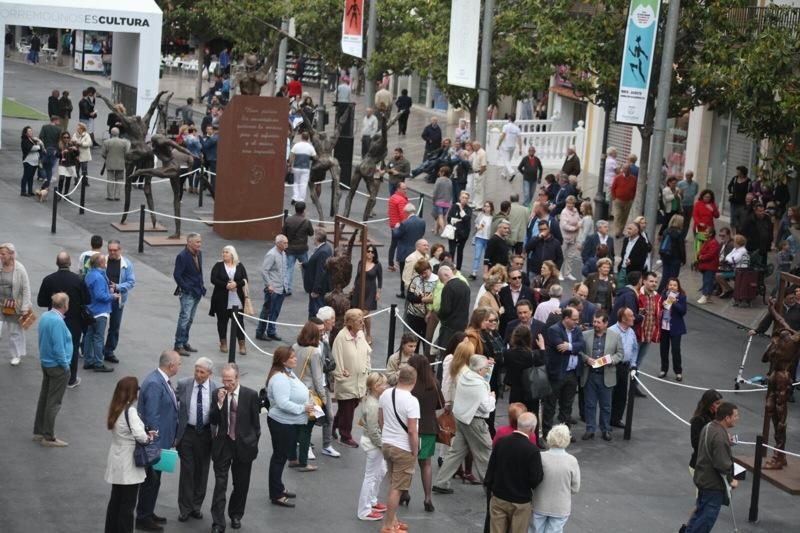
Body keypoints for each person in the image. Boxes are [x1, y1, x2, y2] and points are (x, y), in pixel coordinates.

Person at [433, 354, 495, 494]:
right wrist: (492, 398)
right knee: (485, 453)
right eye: (486, 368)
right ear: (480, 370)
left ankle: (441, 482)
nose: (487, 370)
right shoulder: (479, 384)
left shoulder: (465, 376)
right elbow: (486, 407)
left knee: (455, 453)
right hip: (475, 421)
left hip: (461, 419)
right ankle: (491, 486)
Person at [210, 363, 261, 530]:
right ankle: (218, 523)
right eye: (224, 380)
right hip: (223, 445)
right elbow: (213, 420)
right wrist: (219, 404)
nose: (227, 384)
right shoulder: (217, 394)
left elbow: (256, 424)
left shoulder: (250, 395)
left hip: (243, 446)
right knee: (220, 485)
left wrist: (252, 442)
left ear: (237, 378)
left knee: (241, 485)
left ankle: (236, 514)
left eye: (230, 380)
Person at [136, 351, 181, 532]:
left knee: (155, 480)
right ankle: (143, 517)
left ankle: (147, 511)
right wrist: (155, 445)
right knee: (150, 480)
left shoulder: (159, 380)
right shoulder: (155, 384)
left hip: (161, 442)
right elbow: (152, 417)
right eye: (179, 363)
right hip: (156, 444)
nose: (180, 366)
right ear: (171, 365)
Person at [105, 377, 155, 533]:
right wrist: (149, 438)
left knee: (116, 501)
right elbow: (140, 436)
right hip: (129, 462)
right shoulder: (131, 411)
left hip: (116, 456)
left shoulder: (116, 407)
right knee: (128, 504)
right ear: (132, 392)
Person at [175, 357, 219, 522]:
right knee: (187, 470)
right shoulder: (183, 384)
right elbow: (173, 405)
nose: (198, 375)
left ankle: (196, 506)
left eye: (202, 372)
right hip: (187, 433)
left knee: (202, 471)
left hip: (206, 434)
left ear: (210, 373)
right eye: (196, 371)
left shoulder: (216, 388)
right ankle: (185, 508)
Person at [683, 402, 739, 533]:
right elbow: (722, 464)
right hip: (713, 484)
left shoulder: (709, 427)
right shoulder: (720, 436)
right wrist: (731, 480)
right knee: (706, 520)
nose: (738, 418)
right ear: (727, 417)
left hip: (702, 478)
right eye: (735, 415)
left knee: (699, 514)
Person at [484, 411, 543, 533]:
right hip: (520, 500)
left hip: (499, 496)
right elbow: (535, 479)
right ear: (532, 429)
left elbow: (491, 467)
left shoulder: (501, 442)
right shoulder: (532, 450)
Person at [37, 252, 89, 388]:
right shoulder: (78, 280)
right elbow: (87, 299)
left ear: (56, 263)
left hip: (54, 317)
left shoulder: (48, 279)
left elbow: (41, 301)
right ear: (70, 263)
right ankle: (71, 378)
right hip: (74, 320)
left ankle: (54, 374)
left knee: (54, 345)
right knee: (72, 346)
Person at [379, 365, 420, 533]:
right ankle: (388, 525)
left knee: (392, 484)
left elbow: (380, 420)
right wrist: (415, 450)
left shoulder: (386, 394)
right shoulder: (412, 401)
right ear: (414, 381)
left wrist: (387, 435)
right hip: (403, 448)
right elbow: (412, 430)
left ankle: (393, 521)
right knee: (397, 488)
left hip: (387, 444)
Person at [33, 292, 72, 447]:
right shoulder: (57, 322)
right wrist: (66, 366)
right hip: (57, 366)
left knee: (44, 398)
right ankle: (48, 436)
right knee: (54, 402)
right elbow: (58, 347)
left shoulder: (45, 316)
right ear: (65, 305)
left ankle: (38, 431)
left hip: (46, 363)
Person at [406, 354, 444, 512]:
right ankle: (427, 497)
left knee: (407, 464)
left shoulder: (410, 385)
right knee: (426, 463)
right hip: (429, 428)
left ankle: (404, 493)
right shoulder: (433, 383)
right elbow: (439, 405)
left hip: (411, 428)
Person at [288, 322, 327, 471]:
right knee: (306, 429)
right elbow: (318, 378)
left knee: (294, 427)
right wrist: (323, 398)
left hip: (293, 391)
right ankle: (303, 462)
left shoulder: (294, 347)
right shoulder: (315, 352)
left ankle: (292, 458)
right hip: (308, 394)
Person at [580, 310, 623, 441]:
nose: (595, 324)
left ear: (606, 323)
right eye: (594, 321)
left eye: (598, 322)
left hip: (607, 375)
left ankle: (605, 429)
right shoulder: (585, 335)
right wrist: (586, 359)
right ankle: (590, 429)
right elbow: (579, 351)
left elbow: (620, 354)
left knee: (606, 406)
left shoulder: (615, 336)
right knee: (590, 404)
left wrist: (611, 360)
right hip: (590, 375)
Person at [530, 424, 581, 533]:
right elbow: (575, 488)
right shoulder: (572, 461)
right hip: (560, 507)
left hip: (539, 503)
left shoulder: (540, 457)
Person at [332, 309, 372, 447]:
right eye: (358, 320)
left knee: (349, 407)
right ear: (349, 322)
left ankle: (334, 424)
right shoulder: (341, 337)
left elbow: (367, 352)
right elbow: (336, 358)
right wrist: (341, 376)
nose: (362, 322)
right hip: (347, 381)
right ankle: (345, 436)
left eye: (362, 319)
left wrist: (367, 370)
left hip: (360, 380)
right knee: (347, 410)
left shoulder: (360, 334)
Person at [543, 307, 585, 435]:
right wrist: (573, 347)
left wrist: (569, 346)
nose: (577, 322)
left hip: (572, 373)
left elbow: (582, 345)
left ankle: (565, 433)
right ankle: (547, 432)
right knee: (550, 405)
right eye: (574, 319)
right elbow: (559, 347)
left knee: (567, 405)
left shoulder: (577, 330)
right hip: (557, 374)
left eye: (577, 319)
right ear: (566, 318)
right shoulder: (554, 330)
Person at [357, 373, 389, 521]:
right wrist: (383, 445)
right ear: (376, 387)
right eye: (384, 384)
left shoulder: (372, 400)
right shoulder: (372, 404)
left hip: (372, 442)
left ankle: (372, 501)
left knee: (381, 471)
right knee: (370, 476)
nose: (386, 386)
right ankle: (364, 510)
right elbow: (373, 430)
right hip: (373, 444)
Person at [209, 245, 249, 354]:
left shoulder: (239, 266)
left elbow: (245, 279)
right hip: (221, 299)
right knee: (222, 322)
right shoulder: (218, 265)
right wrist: (225, 285)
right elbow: (213, 279)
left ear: (232, 254)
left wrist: (236, 283)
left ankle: (242, 345)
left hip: (237, 300)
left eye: (226, 252)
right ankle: (223, 343)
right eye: (223, 252)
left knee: (239, 322)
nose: (224, 254)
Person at [101, 241, 135, 365]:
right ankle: (92, 350)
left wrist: (118, 286)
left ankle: (109, 351)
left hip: (117, 300)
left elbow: (131, 282)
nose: (112, 252)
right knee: (96, 325)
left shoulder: (127, 264)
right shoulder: (102, 261)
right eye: (110, 250)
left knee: (114, 326)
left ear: (120, 250)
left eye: (115, 250)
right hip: (103, 299)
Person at [83, 254, 119, 373]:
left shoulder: (90, 274)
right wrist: (112, 296)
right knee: (98, 337)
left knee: (89, 336)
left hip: (90, 310)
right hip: (100, 311)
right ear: (101, 263)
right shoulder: (98, 277)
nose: (106, 263)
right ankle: (98, 363)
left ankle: (88, 361)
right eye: (104, 261)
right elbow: (100, 295)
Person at [173, 233, 205, 357]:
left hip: (198, 291)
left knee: (190, 319)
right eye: (197, 242)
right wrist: (186, 288)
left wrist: (201, 286)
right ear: (189, 242)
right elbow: (177, 275)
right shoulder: (182, 256)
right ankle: (178, 345)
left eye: (200, 242)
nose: (199, 244)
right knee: (184, 318)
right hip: (188, 293)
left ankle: (185, 342)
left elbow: (199, 272)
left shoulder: (199, 254)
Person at [608, 307, 640, 429]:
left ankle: (616, 419)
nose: (633, 318)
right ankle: (606, 421)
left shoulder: (631, 331)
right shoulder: (611, 331)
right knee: (610, 394)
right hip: (613, 366)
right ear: (623, 318)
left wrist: (633, 364)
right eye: (631, 316)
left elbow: (634, 349)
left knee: (621, 394)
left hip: (625, 367)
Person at [503, 325, 546, 411]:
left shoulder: (507, 353)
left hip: (515, 390)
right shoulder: (534, 355)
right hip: (531, 390)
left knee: (515, 415)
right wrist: (542, 348)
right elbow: (543, 363)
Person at [255, 235, 288, 342]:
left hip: (282, 288)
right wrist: (269, 285)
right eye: (285, 243)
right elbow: (264, 271)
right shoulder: (271, 254)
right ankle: (260, 332)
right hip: (273, 289)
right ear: (278, 243)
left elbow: (284, 270)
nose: (287, 245)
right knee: (267, 311)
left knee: (275, 311)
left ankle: (271, 331)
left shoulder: (283, 254)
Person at [351, 244, 383, 343]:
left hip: (370, 290)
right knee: (362, 313)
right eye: (368, 251)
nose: (369, 253)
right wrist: (353, 287)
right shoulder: (361, 262)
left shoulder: (377, 265)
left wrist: (378, 292)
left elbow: (380, 279)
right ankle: (363, 333)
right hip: (359, 289)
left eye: (372, 252)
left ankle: (366, 334)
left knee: (364, 313)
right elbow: (357, 275)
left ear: (374, 254)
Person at [436, 265, 472, 349]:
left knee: (446, 352)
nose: (443, 283)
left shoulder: (448, 287)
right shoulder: (465, 285)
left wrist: (439, 315)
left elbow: (445, 309)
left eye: (442, 280)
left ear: (445, 275)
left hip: (449, 327)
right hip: (462, 325)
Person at [404, 260, 436, 352]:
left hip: (429, 318)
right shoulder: (416, 279)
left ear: (430, 269)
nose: (423, 276)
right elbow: (409, 296)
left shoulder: (437, 281)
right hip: (414, 315)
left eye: (425, 272)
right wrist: (422, 300)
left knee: (427, 343)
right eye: (420, 274)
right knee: (414, 343)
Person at [660, 278, 688, 381]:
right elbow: (660, 307)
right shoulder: (664, 294)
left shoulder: (682, 297)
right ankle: (663, 369)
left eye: (675, 285)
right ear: (667, 286)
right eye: (670, 285)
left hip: (676, 327)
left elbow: (683, 311)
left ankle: (678, 372)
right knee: (664, 349)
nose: (672, 287)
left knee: (676, 350)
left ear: (678, 287)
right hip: (664, 326)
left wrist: (675, 302)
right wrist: (662, 305)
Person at [689, 390, 723, 473]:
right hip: (699, 465)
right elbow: (696, 444)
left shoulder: (716, 418)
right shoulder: (698, 420)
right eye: (717, 403)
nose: (720, 406)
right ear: (709, 404)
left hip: (711, 465)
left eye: (720, 403)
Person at [303, 229, 333, 318]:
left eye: (314, 237)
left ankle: (315, 330)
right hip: (318, 288)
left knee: (316, 312)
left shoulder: (323, 251)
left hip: (318, 290)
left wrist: (316, 290)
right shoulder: (325, 247)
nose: (313, 239)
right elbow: (316, 263)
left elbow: (321, 272)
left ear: (317, 239)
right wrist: (305, 264)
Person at [658, 215, 687, 293]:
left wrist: (661, 256)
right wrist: (683, 260)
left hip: (666, 257)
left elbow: (662, 245)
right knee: (673, 279)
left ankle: (660, 293)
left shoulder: (666, 231)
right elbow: (681, 248)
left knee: (665, 276)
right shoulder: (679, 233)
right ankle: (669, 296)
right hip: (675, 259)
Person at [714, 234, 749, 298]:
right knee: (715, 272)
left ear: (738, 243)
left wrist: (728, 259)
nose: (733, 243)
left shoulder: (742, 251)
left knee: (718, 275)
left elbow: (733, 260)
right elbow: (728, 257)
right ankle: (725, 290)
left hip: (738, 272)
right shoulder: (736, 249)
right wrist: (728, 259)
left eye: (734, 241)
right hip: (732, 268)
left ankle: (728, 289)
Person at [446, 191, 473, 271]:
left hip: (463, 234)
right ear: (460, 198)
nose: (464, 199)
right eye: (463, 197)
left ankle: (458, 268)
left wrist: (461, 209)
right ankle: (450, 267)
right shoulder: (454, 207)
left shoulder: (469, 209)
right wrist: (458, 220)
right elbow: (449, 218)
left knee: (460, 251)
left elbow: (466, 218)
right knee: (452, 250)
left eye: (466, 198)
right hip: (453, 232)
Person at [102, 127, 130, 201]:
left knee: (110, 180)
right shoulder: (124, 142)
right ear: (119, 133)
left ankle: (110, 196)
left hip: (110, 163)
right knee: (119, 180)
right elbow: (127, 153)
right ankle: (117, 195)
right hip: (121, 163)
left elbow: (103, 154)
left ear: (111, 133)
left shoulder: (106, 142)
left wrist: (107, 158)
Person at [289, 131, 317, 204]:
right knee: (303, 184)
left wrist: (290, 165)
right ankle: (301, 200)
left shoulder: (296, 145)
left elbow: (291, 156)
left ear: (301, 137)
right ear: (308, 138)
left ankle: (295, 197)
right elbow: (315, 157)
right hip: (305, 168)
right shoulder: (310, 147)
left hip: (296, 167)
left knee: (296, 182)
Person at [610, 164, 637, 237]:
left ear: (630, 170)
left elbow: (634, 190)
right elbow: (613, 188)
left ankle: (620, 231)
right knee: (618, 215)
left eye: (627, 169)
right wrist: (614, 198)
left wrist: (632, 198)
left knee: (624, 217)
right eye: (624, 168)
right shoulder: (618, 178)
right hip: (618, 200)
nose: (626, 170)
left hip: (628, 201)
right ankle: (617, 232)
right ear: (622, 169)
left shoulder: (633, 179)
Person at [696, 229, 720, 305]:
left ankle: (705, 296)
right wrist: (699, 255)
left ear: (711, 234)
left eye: (706, 232)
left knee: (707, 281)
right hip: (706, 265)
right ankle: (708, 297)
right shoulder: (708, 241)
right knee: (707, 280)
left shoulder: (714, 243)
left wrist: (701, 257)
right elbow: (702, 250)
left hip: (710, 265)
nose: (705, 233)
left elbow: (711, 254)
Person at [497, 115, 523, 181]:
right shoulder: (517, 128)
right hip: (513, 147)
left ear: (509, 119)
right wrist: (520, 149)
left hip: (506, 146)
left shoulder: (506, 126)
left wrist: (498, 144)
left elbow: (503, 136)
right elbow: (519, 139)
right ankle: (503, 173)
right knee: (508, 160)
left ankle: (512, 172)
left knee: (506, 161)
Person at [20, 126, 43, 196]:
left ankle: (30, 191)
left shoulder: (32, 140)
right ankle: (23, 191)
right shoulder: (24, 140)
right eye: (29, 131)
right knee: (26, 176)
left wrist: (39, 144)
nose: (31, 132)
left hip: (35, 162)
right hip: (28, 161)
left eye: (31, 131)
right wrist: (39, 145)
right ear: (25, 133)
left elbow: (41, 147)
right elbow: (32, 148)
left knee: (31, 177)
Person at [727, 166, 751, 231]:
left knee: (740, 220)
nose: (737, 172)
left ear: (742, 172)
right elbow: (729, 186)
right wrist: (731, 193)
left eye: (738, 171)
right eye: (737, 171)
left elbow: (750, 191)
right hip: (733, 202)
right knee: (733, 220)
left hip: (742, 203)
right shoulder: (735, 178)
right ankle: (733, 235)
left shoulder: (748, 181)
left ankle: (738, 234)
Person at [432, 166, 453, 235]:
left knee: (440, 216)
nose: (439, 173)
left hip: (439, 201)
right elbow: (450, 192)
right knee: (441, 216)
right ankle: (436, 230)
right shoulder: (450, 181)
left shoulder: (439, 180)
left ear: (443, 173)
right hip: (447, 202)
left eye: (440, 171)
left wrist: (434, 200)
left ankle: (444, 230)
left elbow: (435, 191)